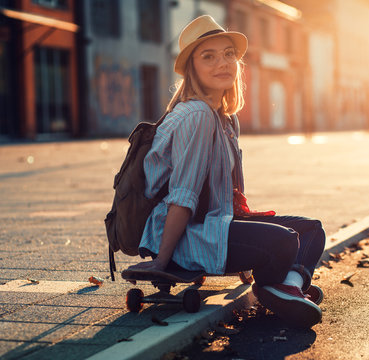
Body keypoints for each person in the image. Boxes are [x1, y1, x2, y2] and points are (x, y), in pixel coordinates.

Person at [129, 15, 326, 328]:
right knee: (285, 241)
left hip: (215, 224)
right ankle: (280, 287)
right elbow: (183, 194)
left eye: (229, 54)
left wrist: (247, 247)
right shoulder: (196, 116)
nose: (222, 63)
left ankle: (285, 286)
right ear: (191, 68)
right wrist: (162, 261)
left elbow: (231, 189)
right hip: (189, 234)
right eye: (208, 56)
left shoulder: (224, 118)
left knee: (312, 230)